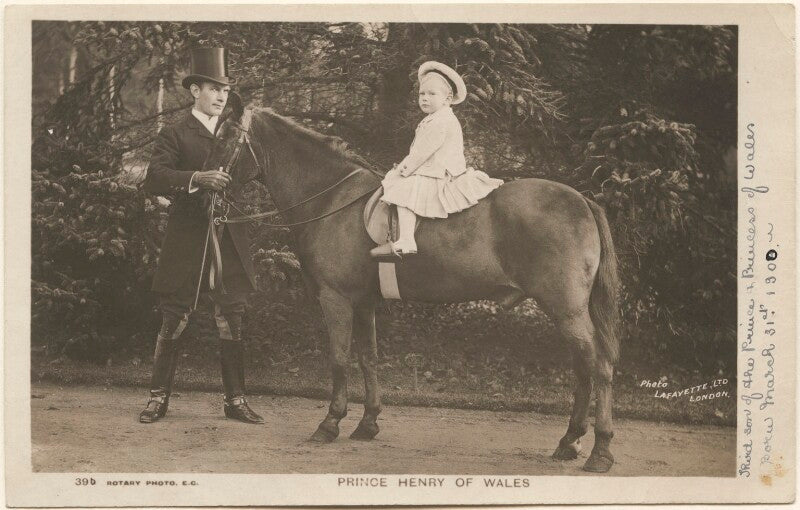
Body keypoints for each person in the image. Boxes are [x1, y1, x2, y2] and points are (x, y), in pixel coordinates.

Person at [138, 48, 263, 424]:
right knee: (175, 316)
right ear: (195, 91)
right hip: (188, 237)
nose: (221, 96)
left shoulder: (235, 135)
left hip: (229, 239)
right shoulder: (176, 133)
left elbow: (251, 176)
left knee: (232, 317)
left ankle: (236, 401)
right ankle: (158, 398)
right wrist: (196, 179)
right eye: (213, 88)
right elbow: (154, 177)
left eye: (225, 90)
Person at [370, 61, 503, 258]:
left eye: (432, 94)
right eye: (422, 94)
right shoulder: (433, 118)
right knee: (398, 181)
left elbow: (421, 153)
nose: (425, 98)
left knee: (403, 189)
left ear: (447, 98)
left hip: (440, 172)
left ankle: (407, 240)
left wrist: (403, 170)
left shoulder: (442, 120)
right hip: (432, 169)